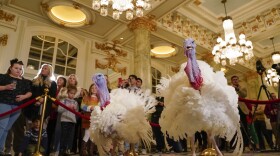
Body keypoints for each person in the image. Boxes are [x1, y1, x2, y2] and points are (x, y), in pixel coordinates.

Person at [0, 58, 32, 155]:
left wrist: (24, 96)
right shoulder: (3, 77)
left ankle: (1, 149)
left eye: (20, 69)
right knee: (2, 127)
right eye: (16, 68)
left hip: (17, 107)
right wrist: (5, 87)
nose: (18, 70)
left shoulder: (25, 81)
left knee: (6, 128)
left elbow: (30, 92)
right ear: (11, 68)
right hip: (4, 103)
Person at [47, 76, 67, 155]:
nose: (59, 81)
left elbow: (62, 101)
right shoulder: (54, 88)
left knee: (55, 132)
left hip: (57, 113)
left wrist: (56, 106)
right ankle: (47, 148)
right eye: (58, 79)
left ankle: (53, 149)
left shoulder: (64, 90)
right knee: (49, 130)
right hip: (50, 112)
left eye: (61, 80)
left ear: (64, 82)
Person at [57, 85, 79, 155]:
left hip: (72, 121)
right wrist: (67, 107)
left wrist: (75, 109)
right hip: (65, 120)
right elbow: (59, 110)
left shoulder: (75, 102)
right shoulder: (63, 100)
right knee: (63, 136)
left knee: (70, 137)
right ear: (67, 93)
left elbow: (77, 112)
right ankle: (61, 151)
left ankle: (67, 150)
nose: (72, 95)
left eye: (73, 94)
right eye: (71, 93)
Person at [80, 84, 99, 156]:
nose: (94, 89)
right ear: (90, 89)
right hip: (88, 117)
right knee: (87, 133)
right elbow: (82, 106)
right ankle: (83, 150)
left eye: (96, 88)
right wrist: (90, 108)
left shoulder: (99, 99)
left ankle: (90, 151)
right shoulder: (86, 97)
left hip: (96, 118)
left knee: (93, 134)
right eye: (92, 88)